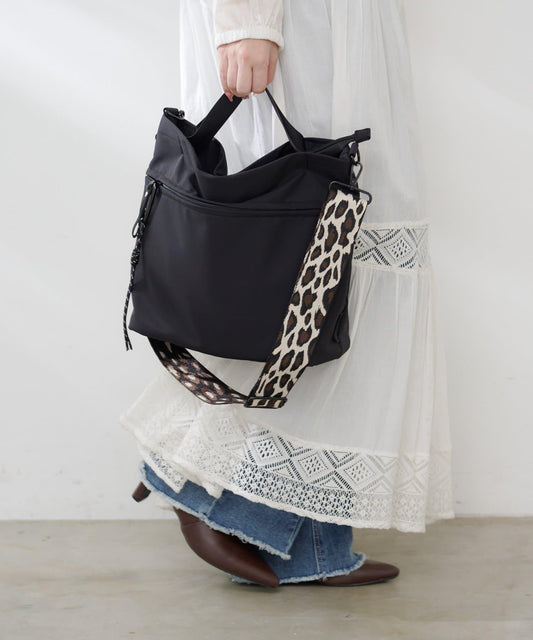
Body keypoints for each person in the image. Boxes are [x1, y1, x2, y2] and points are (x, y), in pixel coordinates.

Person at [121, 0, 454, 587]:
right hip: (301, 25)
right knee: (308, 262)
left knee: (329, 274)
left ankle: (309, 544)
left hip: (340, 25)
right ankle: (201, 484)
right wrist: (248, 21)